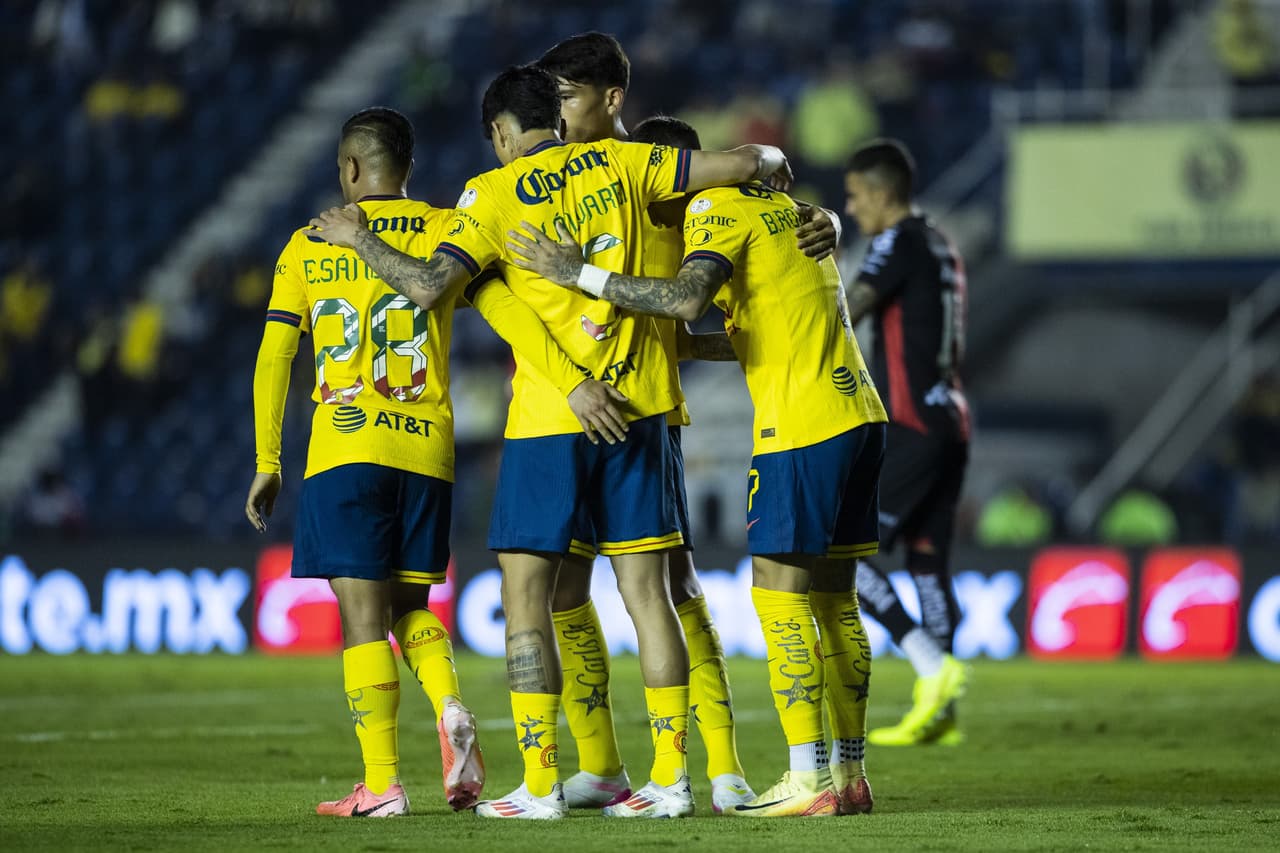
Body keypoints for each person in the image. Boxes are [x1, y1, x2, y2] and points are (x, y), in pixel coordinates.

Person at [306, 65, 796, 819]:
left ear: (501, 133)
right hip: (641, 407)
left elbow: (432, 286)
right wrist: (780, 176)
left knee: (526, 594)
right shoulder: (629, 161)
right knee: (651, 595)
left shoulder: (491, 193)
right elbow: (746, 162)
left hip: (547, 418)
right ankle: (670, 779)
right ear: (560, 120)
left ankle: (541, 783)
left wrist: (358, 239)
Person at [246, 106, 626, 818]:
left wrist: (268, 457)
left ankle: (383, 783)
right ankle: (450, 703)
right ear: (409, 168)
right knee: (410, 606)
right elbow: (509, 311)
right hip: (426, 452)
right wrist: (573, 381)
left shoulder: (307, 244)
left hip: (345, 447)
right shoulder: (449, 228)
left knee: (362, 619)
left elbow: (276, 355)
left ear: (351, 168)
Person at [510, 134, 887, 818]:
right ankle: (851, 775)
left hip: (802, 424)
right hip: (858, 411)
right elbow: (741, 331)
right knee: (836, 600)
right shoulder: (783, 208)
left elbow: (687, 299)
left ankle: (806, 779)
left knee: (777, 593)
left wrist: (581, 276)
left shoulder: (711, 206)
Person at [841, 138, 971, 747]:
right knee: (926, 560)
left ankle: (928, 662)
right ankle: (938, 708)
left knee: (844, 547)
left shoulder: (897, 240)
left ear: (882, 193)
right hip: (950, 416)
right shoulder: (939, 240)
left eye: (856, 195)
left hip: (913, 422)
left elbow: (854, 306)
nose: (852, 206)